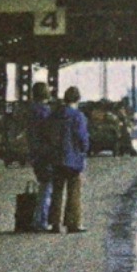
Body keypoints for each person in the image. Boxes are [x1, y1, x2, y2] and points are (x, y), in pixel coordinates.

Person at [49, 86, 89, 234]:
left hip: (56, 158)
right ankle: (73, 224)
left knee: (57, 191)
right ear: (78, 99)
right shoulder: (78, 116)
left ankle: (55, 224)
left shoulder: (54, 116)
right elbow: (82, 138)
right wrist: (84, 150)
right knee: (74, 192)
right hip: (73, 160)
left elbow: (49, 135)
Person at [24, 82, 56, 231]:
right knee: (47, 186)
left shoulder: (30, 110)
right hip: (45, 153)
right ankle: (40, 220)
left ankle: (38, 219)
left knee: (44, 185)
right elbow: (49, 132)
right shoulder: (44, 111)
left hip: (35, 153)